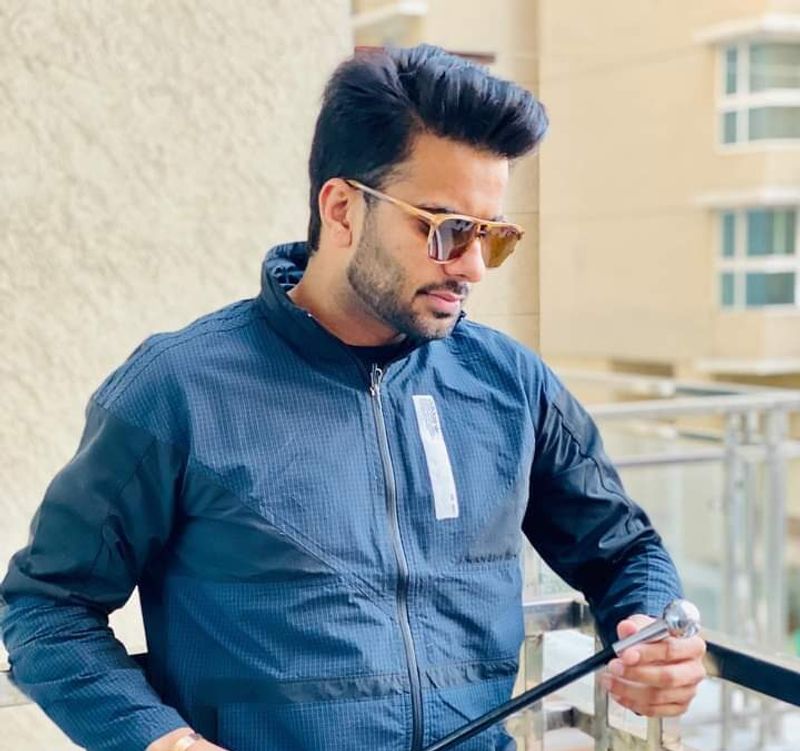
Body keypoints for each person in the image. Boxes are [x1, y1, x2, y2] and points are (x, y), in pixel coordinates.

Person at [0, 44, 706, 751]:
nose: (472, 268)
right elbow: (48, 608)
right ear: (341, 208)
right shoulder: (178, 389)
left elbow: (625, 550)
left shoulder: (509, 383)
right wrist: (164, 742)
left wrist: (654, 632)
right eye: (445, 229)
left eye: (492, 236)